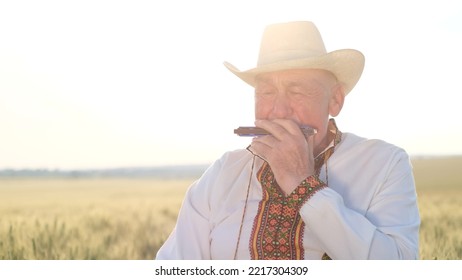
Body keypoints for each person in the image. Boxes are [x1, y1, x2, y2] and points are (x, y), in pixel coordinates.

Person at [156, 21, 420, 260]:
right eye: (267, 92)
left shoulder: (384, 164)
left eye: (297, 91)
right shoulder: (224, 173)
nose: (279, 111)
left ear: (335, 100)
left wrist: (303, 185)